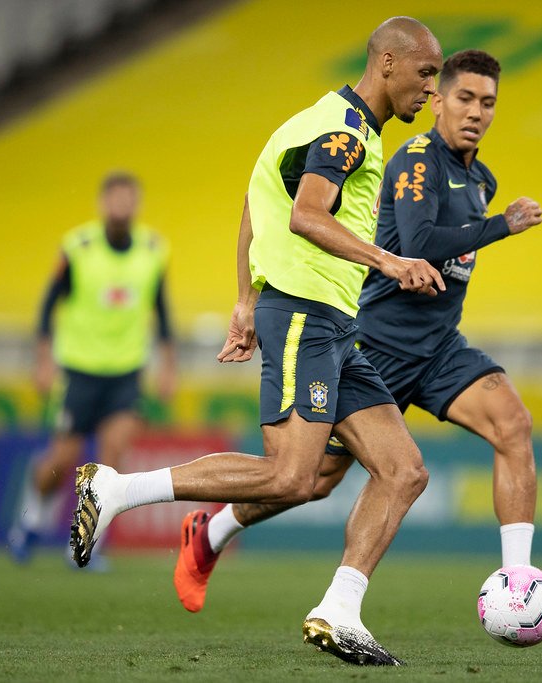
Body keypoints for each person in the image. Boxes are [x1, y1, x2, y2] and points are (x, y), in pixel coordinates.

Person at [69, 17, 444, 667]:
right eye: (426, 74)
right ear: (387, 63)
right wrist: (387, 262)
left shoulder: (312, 120)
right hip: (305, 313)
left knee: (403, 468)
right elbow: (305, 214)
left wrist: (244, 297)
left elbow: (256, 201)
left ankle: (340, 609)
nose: (431, 92)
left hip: (326, 320)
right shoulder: (345, 132)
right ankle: (117, 489)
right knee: (293, 475)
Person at [175, 49, 542, 613]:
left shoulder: (480, 178)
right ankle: (208, 534)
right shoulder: (413, 160)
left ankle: (518, 582)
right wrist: (501, 226)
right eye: (463, 98)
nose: (476, 112)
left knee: (513, 424)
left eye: (488, 103)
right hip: (375, 345)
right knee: (309, 480)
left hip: (437, 347)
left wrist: (491, 220)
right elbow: (417, 247)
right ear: (437, 101)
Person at [8, 171, 176, 565]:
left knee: (110, 459)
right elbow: (48, 307)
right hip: (80, 371)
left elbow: (162, 311)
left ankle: (82, 546)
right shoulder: (78, 247)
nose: (122, 206)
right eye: (115, 198)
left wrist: (168, 365)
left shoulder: (154, 250)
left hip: (127, 373)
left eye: (128, 198)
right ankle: (29, 522)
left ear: (137, 204)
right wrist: (43, 360)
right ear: (103, 204)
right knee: (61, 461)